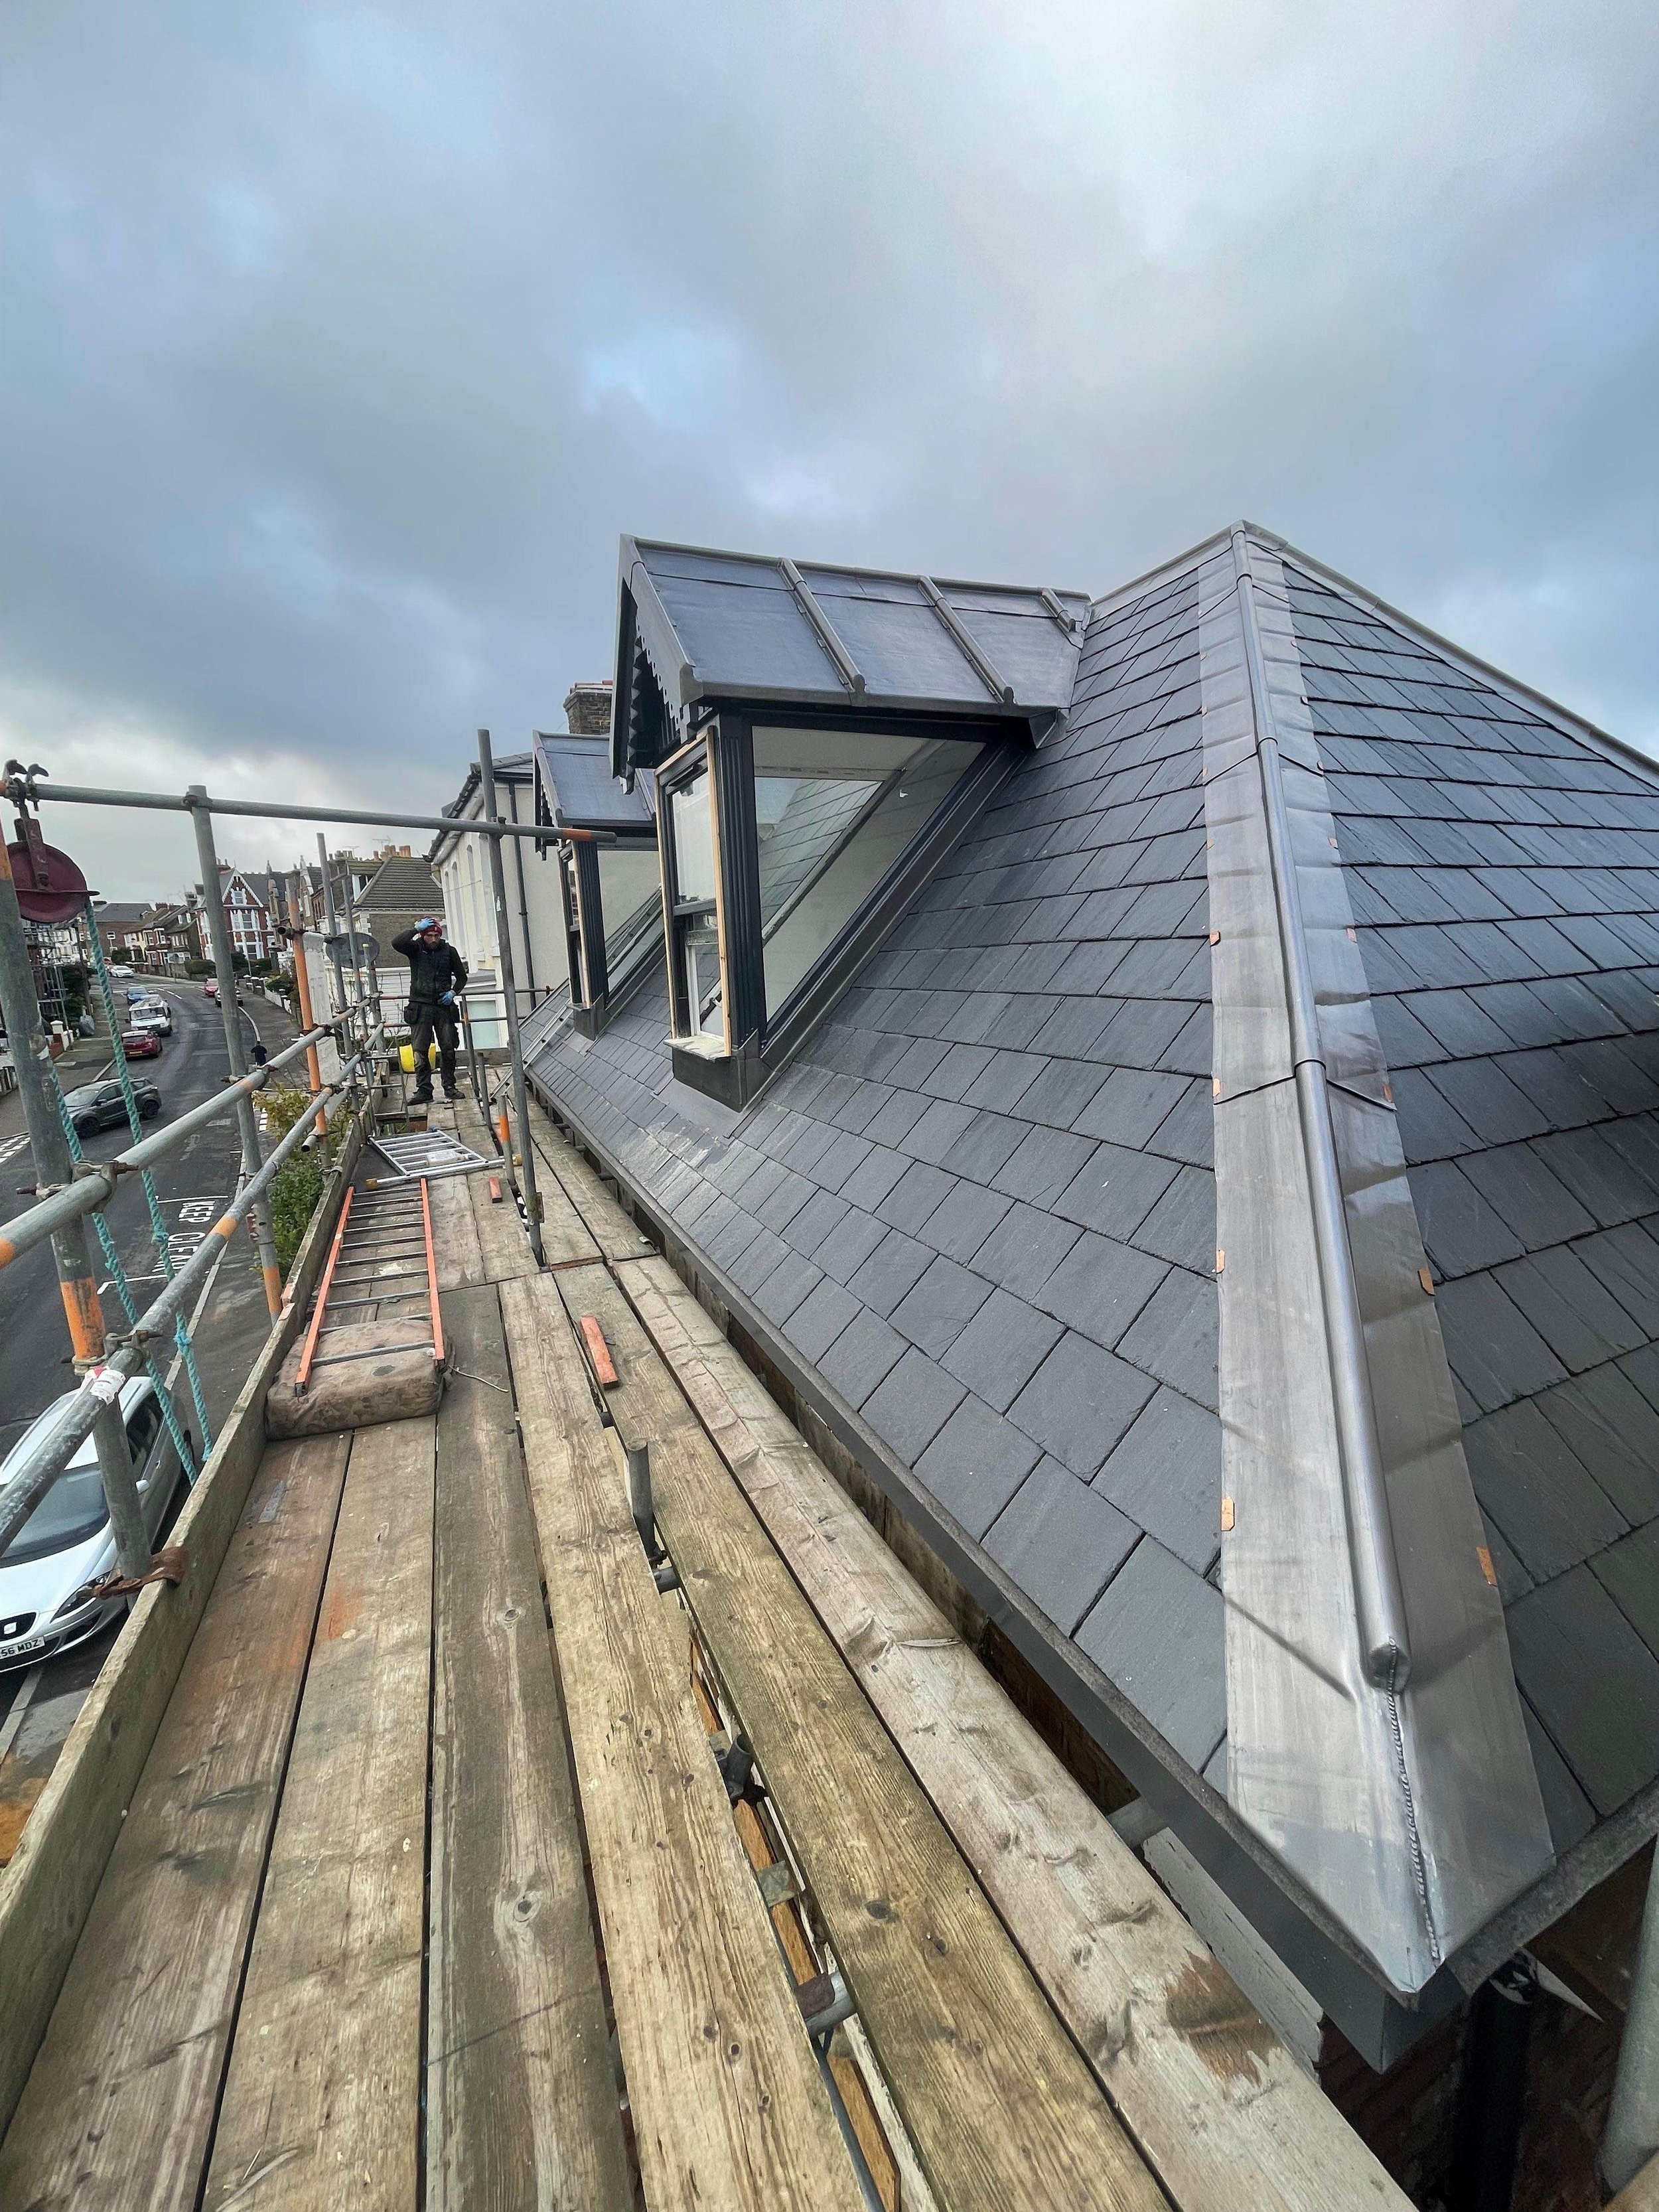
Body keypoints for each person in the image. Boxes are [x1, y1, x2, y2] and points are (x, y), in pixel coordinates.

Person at [392, 916, 468, 1104]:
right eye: (429, 935)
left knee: (448, 1048)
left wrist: (453, 992)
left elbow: (462, 977)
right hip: (420, 1006)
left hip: (443, 1006)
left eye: (436, 936)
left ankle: (449, 1087)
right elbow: (397, 943)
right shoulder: (415, 949)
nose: (433, 939)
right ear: (423, 935)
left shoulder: (449, 951)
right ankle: (424, 1090)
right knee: (420, 1051)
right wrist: (416, 929)